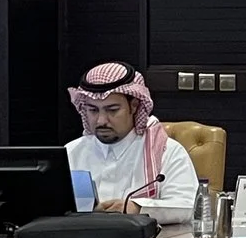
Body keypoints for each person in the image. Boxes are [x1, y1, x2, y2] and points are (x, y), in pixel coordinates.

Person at [66, 63, 199, 224]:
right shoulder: (71, 153)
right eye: (93, 110)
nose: (101, 120)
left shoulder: (166, 151)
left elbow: (188, 206)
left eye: (112, 110)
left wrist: (137, 208)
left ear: (134, 106)